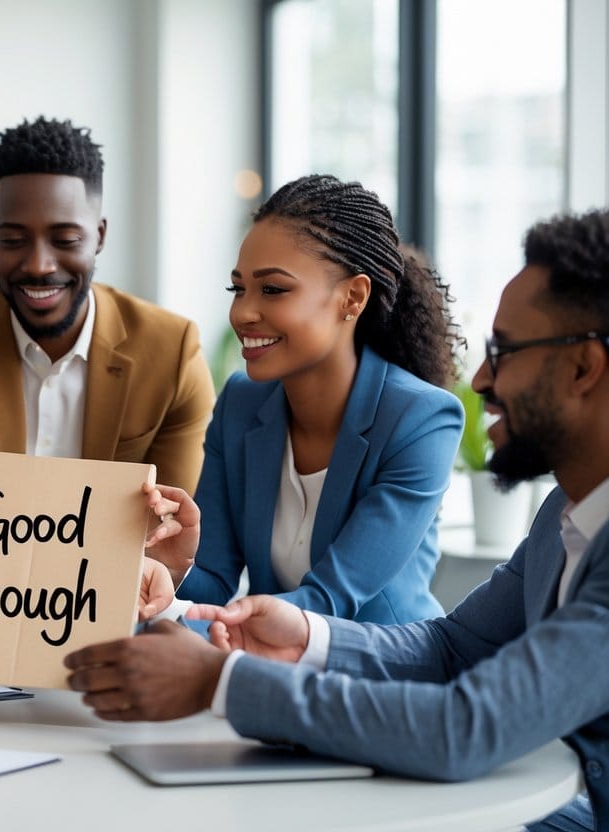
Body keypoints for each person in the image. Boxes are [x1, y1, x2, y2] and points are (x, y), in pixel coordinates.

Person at [66, 208, 609, 831]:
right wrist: (300, 634)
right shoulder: (563, 516)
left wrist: (222, 681)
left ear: (583, 367)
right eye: (238, 288)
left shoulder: (422, 418)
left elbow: (464, 725)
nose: (481, 378)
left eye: (505, 351)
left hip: (424, 749)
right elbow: (456, 645)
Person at [0, 116, 215, 549]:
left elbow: (171, 521)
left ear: (99, 236)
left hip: (107, 601)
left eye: (66, 239)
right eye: (14, 240)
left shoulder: (171, 351)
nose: (38, 265)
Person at [150, 174, 463, 624]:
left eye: (273, 289)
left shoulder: (421, 419)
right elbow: (214, 584)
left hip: (382, 673)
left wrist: (194, 641)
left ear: (352, 298)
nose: (242, 312)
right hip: (265, 672)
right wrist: (173, 565)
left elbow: (328, 602)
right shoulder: (240, 403)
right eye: (238, 288)